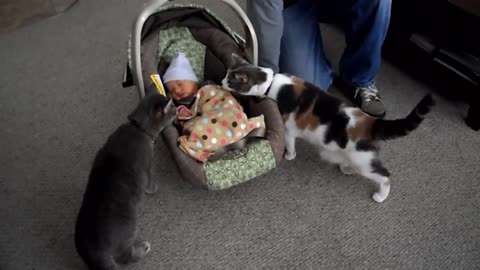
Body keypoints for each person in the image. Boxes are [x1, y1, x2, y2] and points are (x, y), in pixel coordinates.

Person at [247, 0, 392, 117]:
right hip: (293, 4)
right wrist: (267, 81)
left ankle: (360, 78)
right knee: (306, 92)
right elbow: (265, 13)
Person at [163, 53, 265, 162]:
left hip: (222, 109)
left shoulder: (208, 87)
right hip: (204, 122)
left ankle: (235, 135)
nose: (177, 91)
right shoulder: (182, 105)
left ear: (193, 81)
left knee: (235, 115)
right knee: (194, 131)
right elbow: (176, 118)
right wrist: (181, 115)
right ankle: (224, 143)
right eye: (172, 91)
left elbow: (225, 97)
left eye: (179, 84)